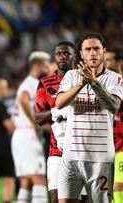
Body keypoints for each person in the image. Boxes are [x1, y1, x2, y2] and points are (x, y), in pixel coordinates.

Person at [55, 33, 123, 203]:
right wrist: (81, 83)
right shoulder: (71, 76)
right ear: (81, 53)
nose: (93, 53)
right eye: (88, 49)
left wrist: (94, 82)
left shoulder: (114, 79)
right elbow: (59, 103)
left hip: (100, 159)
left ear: (104, 51)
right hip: (71, 156)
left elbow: (114, 106)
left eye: (96, 49)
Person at [34, 41, 75, 203]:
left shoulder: (83, 81)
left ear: (74, 56)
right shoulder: (45, 83)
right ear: (55, 57)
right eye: (59, 54)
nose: (63, 57)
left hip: (81, 150)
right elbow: (38, 118)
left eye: (67, 53)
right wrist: (58, 111)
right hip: (56, 151)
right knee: (56, 198)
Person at [12, 51, 50, 203]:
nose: (48, 69)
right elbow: (23, 98)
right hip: (28, 134)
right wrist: (35, 122)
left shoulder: (26, 82)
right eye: (46, 65)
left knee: (26, 182)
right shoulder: (32, 83)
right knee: (39, 177)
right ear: (39, 65)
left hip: (20, 135)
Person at [104, 47, 123, 203]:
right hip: (105, 145)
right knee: (106, 191)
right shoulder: (101, 85)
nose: (105, 63)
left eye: (109, 60)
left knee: (119, 186)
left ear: (119, 62)